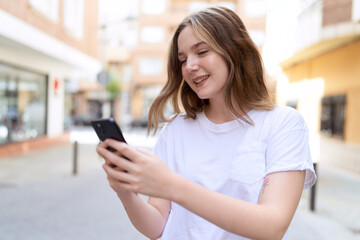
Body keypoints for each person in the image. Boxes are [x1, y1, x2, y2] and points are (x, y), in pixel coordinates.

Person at [97, 6, 317, 240]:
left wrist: (171, 185)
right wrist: (125, 192)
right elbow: (158, 227)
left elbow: (272, 226)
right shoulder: (175, 131)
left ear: (234, 51)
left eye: (201, 52)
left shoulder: (283, 124)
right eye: (182, 59)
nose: (189, 66)